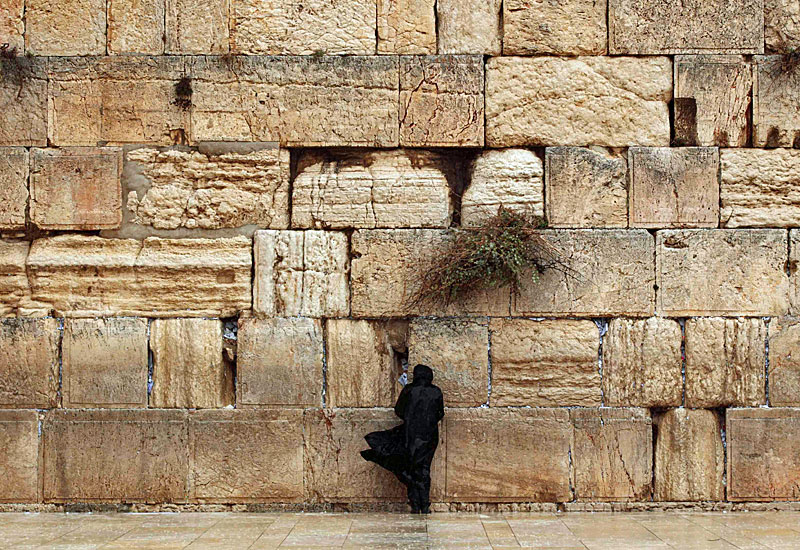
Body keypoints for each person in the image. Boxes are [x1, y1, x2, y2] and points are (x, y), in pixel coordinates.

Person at [360, 364, 445, 514]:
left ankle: (415, 504)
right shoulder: (436, 391)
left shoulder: (409, 390)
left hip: (410, 435)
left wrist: (411, 418)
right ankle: (425, 504)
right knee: (424, 469)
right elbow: (440, 413)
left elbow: (399, 410)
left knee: (410, 467)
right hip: (429, 437)